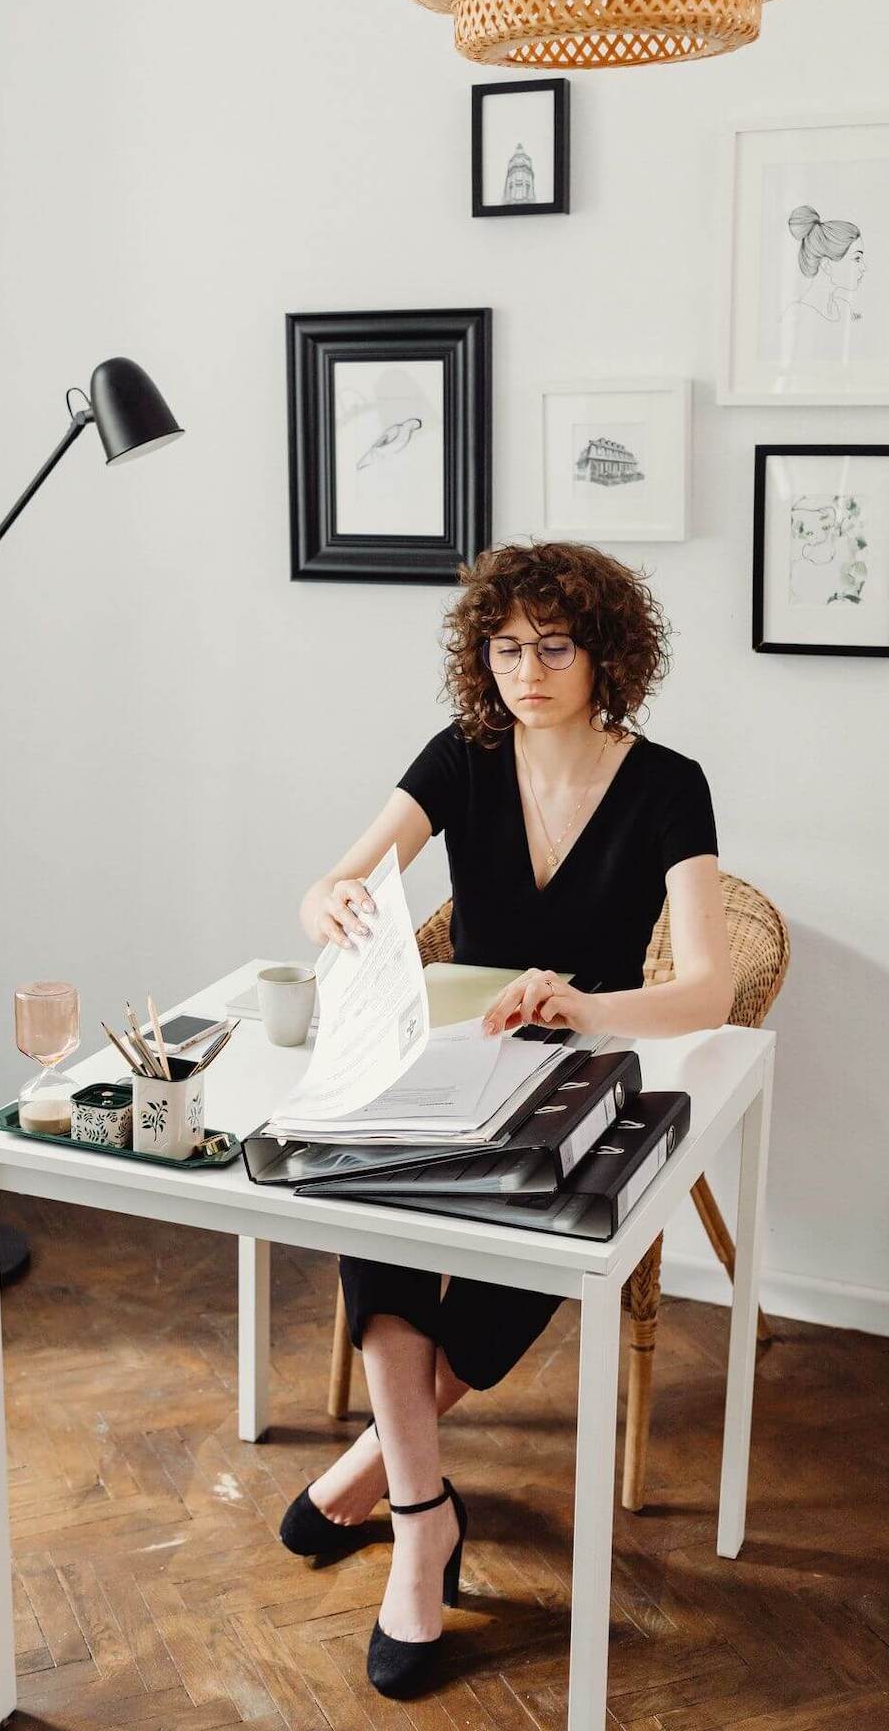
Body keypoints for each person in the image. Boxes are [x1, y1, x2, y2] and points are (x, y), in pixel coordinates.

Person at [283, 538, 734, 1698]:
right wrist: (334, 902)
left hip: (589, 1073)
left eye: (554, 647)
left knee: (521, 1257)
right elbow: (336, 882)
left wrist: (588, 1006)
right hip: (455, 1064)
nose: (526, 672)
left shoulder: (669, 784)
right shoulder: (463, 757)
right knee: (370, 1207)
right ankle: (421, 1520)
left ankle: (375, 1467)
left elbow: (708, 989)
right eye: (505, 648)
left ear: (605, 654)